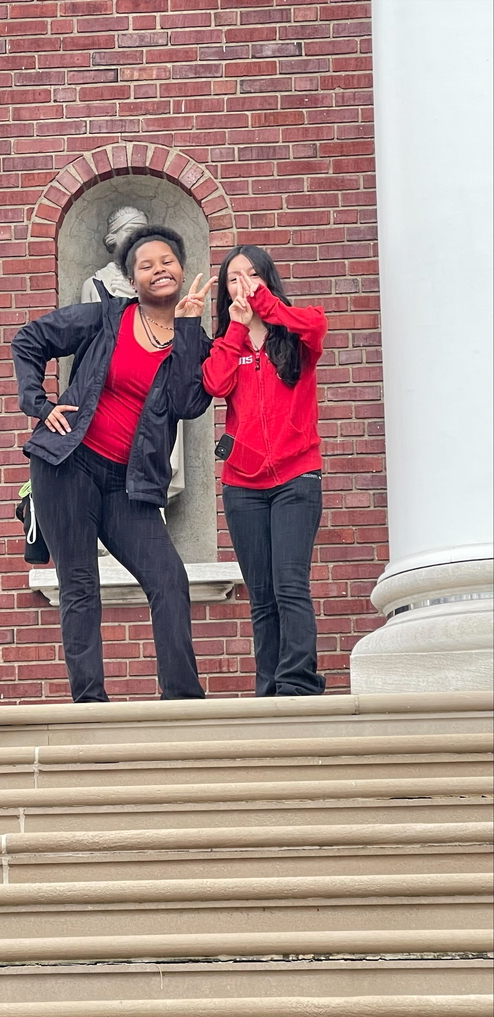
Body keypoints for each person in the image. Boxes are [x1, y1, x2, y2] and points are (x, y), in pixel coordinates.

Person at [12, 225, 216, 703]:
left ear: (182, 270)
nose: (158, 270)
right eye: (145, 265)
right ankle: (90, 703)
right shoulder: (109, 317)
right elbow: (30, 339)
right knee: (79, 584)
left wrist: (188, 325)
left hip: (129, 484)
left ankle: (182, 700)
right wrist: (40, 404)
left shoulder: (195, 343)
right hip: (68, 466)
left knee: (168, 579)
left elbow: (189, 403)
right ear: (132, 280)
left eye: (166, 261)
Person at [202, 244, 328, 697]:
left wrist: (268, 308)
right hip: (243, 486)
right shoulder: (227, 343)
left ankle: (297, 685)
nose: (243, 285)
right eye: (234, 278)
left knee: (290, 584)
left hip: (297, 477)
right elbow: (214, 383)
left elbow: (315, 322)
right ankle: (269, 688)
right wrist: (236, 330)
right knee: (262, 595)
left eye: (251, 275)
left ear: (266, 279)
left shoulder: (294, 334)